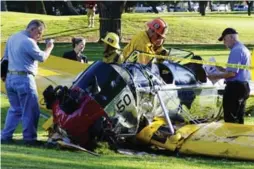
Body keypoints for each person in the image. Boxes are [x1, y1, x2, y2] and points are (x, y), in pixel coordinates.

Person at [1, 20, 54, 144]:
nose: (39, 36)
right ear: (33, 29)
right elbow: (42, 57)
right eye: (39, 33)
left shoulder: (12, 38)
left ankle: (5, 136)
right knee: (30, 109)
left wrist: (3, 75)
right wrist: (49, 47)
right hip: (24, 78)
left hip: (10, 78)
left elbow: (5, 59)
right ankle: (29, 138)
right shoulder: (28, 42)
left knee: (15, 109)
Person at [208, 28, 251, 124]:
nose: (224, 43)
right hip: (243, 86)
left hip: (235, 88)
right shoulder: (243, 48)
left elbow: (232, 74)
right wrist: (221, 69)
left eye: (225, 39)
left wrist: (213, 77)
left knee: (230, 119)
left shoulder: (236, 50)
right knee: (239, 118)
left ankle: (231, 138)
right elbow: (236, 70)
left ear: (231, 37)